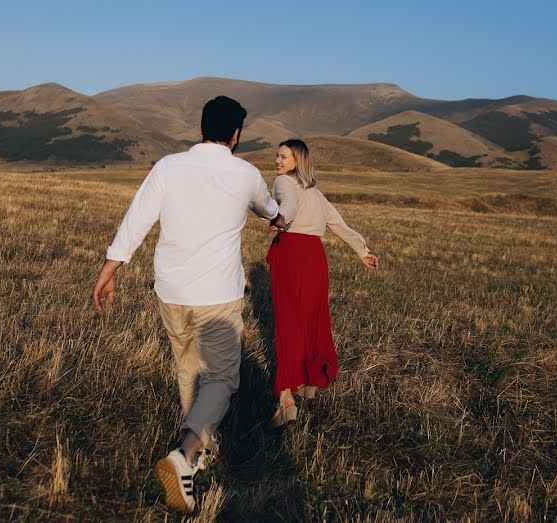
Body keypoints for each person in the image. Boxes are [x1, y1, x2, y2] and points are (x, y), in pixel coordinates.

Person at [92, 96, 284, 513]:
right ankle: (186, 452)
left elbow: (136, 219)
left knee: (187, 368)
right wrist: (280, 219)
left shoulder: (168, 167)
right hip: (216, 294)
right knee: (221, 380)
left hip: (171, 291)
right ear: (236, 135)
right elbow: (270, 210)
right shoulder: (246, 173)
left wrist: (109, 270)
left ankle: (200, 449)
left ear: (200, 129)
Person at [267, 139, 379, 427]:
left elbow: (287, 210)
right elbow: (338, 224)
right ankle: (308, 382)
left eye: (283, 157)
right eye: (277, 156)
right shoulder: (314, 192)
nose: (277, 161)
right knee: (312, 319)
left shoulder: (283, 183)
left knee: (289, 322)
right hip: (315, 258)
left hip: (292, 255)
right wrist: (362, 252)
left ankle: (286, 395)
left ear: (297, 161)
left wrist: (280, 220)